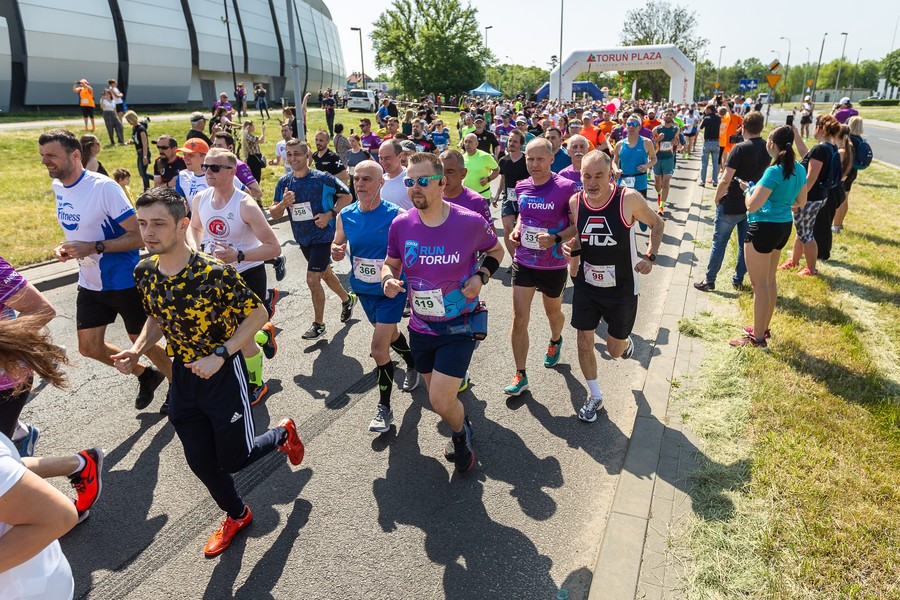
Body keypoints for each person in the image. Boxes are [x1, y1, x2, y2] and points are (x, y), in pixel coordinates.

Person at [112, 187, 305, 557]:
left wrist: (221, 354)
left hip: (222, 376)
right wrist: (136, 350)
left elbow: (258, 315)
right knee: (200, 461)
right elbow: (157, 315)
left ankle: (281, 434)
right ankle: (237, 515)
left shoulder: (213, 273)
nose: (148, 232)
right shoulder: (145, 270)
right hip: (183, 378)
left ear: (183, 224)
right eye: (142, 224)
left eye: (158, 224)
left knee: (233, 459)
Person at [381, 152, 504, 474]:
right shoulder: (401, 224)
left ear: (442, 182)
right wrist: (387, 279)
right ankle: (462, 423)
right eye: (410, 182)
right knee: (442, 400)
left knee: (438, 399)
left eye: (423, 181)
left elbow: (496, 250)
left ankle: (461, 435)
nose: (415, 188)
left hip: (459, 325)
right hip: (421, 328)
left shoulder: (469, 221)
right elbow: (391, 262)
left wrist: (481, 276)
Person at [39, 129, 173, 410]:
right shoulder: (58, 187)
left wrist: (94, 247)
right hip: (89, 281)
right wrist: (66, 248)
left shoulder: (104, 188)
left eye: (51, 156)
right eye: (42, 156)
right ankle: (147, 376)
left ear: (75, 155)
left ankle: (180, 387)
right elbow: (79, 229)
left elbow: (139, 237)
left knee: (143, 342)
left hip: (122, 279)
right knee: (89, 347)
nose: (45, 162)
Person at [563, 150, 664, 421]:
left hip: (621, 288)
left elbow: (657, 223)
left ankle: (624, 342)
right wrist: (570, 248)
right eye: (586, 176)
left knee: (614, 350)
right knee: (583, 340)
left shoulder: (627, 199)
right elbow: (581, 233)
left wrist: (650, 255)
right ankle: (595, 395)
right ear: (580, 175)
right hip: (587, 283)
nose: (592, 182)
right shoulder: (575, 201)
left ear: (611, 175)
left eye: (599, 176)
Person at [331, 160, 419, 432]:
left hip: (391, 289)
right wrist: (335, 249)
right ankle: (413, 363)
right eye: (356, 179)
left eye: (367, 179)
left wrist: (399, 278)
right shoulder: (346, 214)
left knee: (378, 348)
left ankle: (384, 408)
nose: (360, 184)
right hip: (364, 289)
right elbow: (338, 240)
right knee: (390, 335)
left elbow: (412, 251)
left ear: (381, 182)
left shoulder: (397, 215)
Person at [502, 138, 579, 397]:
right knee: (519, 318)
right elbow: (523, 214)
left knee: (553, 312)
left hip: (553, 264)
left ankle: (556, 339)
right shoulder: (522, 185)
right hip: (524, 261)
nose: (534, 165)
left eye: (539, 159)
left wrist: (557, 239)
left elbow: (577, 225)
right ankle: (520, 373)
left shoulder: (566, 187)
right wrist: (516, 229)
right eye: (529, 159)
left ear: (551, 159)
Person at [270, 140, 357, 340]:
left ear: (307, 155)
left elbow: (347, 196)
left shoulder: (322, 178)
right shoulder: (284, 182)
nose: (293, 158)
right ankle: (347, 299)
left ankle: (318, 325)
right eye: (289, 154)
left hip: (322, 235)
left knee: (312, 278)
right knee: (325, 273)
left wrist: (330, 214)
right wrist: (284, 203)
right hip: (302, 237)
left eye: (297, 154)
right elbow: (274, 214)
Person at [730, 126, 807, 347]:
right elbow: (800, 202)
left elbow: (752, 206)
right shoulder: (800, 169)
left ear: (771, 144)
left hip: (763, 228)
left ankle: (758, 338)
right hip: (783, 227)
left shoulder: (773, 171)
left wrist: (747, 190)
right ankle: (762, 328)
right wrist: (778, 201)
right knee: (770, 281)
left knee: (759, 286)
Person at [695, 111, 769, 292]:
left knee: (719, 243)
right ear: (761, 127)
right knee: (745, 245)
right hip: (751, 203)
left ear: (743, 127)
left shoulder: (740, 148)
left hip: (731, 203)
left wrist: (717, 196)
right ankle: (738, 279)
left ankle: (710, 280)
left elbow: (726, 178)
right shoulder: (767, 147)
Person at [778, 114, 842, 276]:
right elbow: (806, 156)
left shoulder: (820, 149)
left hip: (810, 198)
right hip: (820, 195)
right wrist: (797, 135)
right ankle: (794, 260)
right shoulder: (829, 147)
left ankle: (811, 268)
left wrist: (798, 199)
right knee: (802, 230)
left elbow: (811, 178)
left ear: (819, 128)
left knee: (806, 234)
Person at [495, 129, 531, 263]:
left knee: (524, 230)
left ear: (521, 144)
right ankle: (515, 260)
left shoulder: (527, 160)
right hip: (508, 198)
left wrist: (525, 183)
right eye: (510, 140)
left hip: (525, 199)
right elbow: (503, 179)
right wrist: (498, 194)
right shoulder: (503, 160)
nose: (511, 143)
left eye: (515, 141)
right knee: (507, 227)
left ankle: (526, 256)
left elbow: (534, 179)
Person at [439, 149, 492, 224]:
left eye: (450, 172)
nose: (444, 177)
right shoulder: (430, 199)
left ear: (463, 173)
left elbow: (489, 235)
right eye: (440, 172)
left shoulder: (477, 202)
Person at [612, 116, 657, 204]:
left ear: (639, 127)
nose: (631, 127)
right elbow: (614, 161)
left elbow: (654, 159)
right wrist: (616, 170)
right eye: (629, 124)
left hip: (640, 181)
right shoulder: (619, 144)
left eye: (635, 124)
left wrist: (646, 166)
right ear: (626, 126)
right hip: (623, 181)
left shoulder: (646, 142)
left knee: (639, 211)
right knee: (624, 211)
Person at [211, 132, 263, 203]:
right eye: (214, 145)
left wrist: (233, 192)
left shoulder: (239, 166)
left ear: (230, 147)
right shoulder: (210, 165)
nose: (216, 149)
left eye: (219, 146)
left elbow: (258, 192)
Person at [832, 115, 864, 234]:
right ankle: (839, 223)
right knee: (845, 199)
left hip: (845, 171)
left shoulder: (849, 139)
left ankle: (835, 226)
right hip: (853, 171)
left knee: (840, 199)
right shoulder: (859, 139)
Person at [652, 109, 680, 215]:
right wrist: (657, 139)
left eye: (670, 114)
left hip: (669, 158)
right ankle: (659, 193)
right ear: (663, 116)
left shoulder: (675, 129)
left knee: (666, 182)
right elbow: (650, 143)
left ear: (673, 116)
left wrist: (675, 142)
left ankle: (661, 207)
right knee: (657, 184)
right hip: (657, 158)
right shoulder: (657, 129)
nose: (668, 116)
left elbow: (677, 142)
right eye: (666, 114)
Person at [461, 133, 499, 200]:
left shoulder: (485, 156)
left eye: (470, 142)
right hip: (467, 195)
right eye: (465, 142)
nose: (467, 144)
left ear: (476, 144)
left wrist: (488, 179)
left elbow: (497, 170)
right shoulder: (462, 158)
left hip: (482, 195)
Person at [378, 140, 412, 210]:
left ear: (400, 156)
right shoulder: (379, 181)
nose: (383, 162)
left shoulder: (410, 179)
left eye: (387, 158)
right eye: (381, 158)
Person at [124, 110, 152, 190]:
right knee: (142, 173)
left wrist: (145, 156)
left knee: (143, 173)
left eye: (128, 120)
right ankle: (156, 178)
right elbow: (137, 140)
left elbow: (145, 144)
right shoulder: (134, 128)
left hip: (144, 152)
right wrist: (132, 142)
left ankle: (146, 189)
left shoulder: (141, 129)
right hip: (139, 153)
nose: (128, 122)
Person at [698, 104, 722, 186]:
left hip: (707, 142)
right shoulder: (718, 118)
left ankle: (702, 181)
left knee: (704, 163)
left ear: (709, 110)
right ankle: (715, 181)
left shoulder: (706, 119)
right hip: (716, 142)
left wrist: (703, 118)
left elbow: (700, 127)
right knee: (715, 164)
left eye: (706, 109)